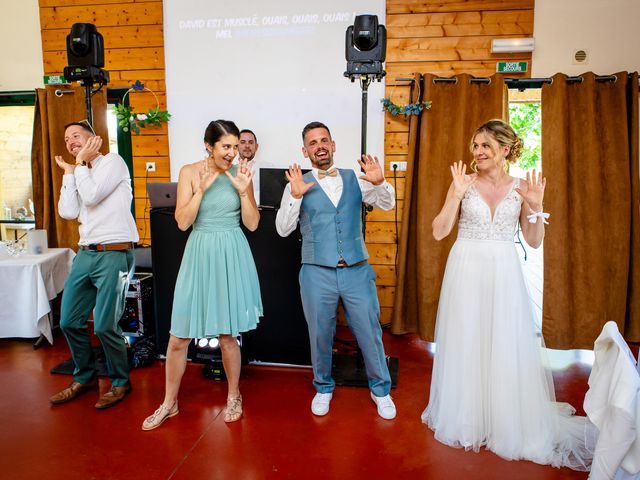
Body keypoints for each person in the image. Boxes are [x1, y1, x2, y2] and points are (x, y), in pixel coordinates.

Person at [423, 119, 592, 469]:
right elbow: (439, 232)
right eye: (475, 146)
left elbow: (533, 241)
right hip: (466, 269)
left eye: (485, 145)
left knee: (503, 342)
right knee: (468, 340)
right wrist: (454, 194)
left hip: (504, 272)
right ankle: (470, 416)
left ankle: (502, 417)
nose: (478, 152)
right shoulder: (463, 184)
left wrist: (535, 206)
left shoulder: (520, 188)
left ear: (504, 149)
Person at [142, 120, 263, 430]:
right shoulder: (189, 171)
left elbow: (252, 224)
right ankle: (169, 402)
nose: (233, 153)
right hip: (199, 252)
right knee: (178, 337)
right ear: (209, 146)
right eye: (227, 146)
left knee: (227, 336)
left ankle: (234, 395)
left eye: (236, 146)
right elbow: (182, 222)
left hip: (230, 251)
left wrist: (244, 192)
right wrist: (203, 190)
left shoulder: (241, 174)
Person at [276, 121, 397, 420]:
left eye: (324, 140)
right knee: (320, 333)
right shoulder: (297, 184)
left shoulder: (356, 178)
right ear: (305, 151)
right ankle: (323, 387)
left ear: (333, 145)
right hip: (316, 272)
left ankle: (381, 390)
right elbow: (282, 229)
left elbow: (387, 203)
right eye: (313, 143)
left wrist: (380, 182)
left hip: (356, 269)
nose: (320, 146)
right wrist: (295, 196)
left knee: (369, 331)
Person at [49, 121, 139, 409]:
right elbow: (68, 211)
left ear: (94, 139)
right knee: (68, 321)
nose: (71, 141)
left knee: (104, 326)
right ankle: (84, 377)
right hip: (85, 253)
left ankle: (120, 382)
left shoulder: (113, 162)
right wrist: (69, 173)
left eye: (76, 135)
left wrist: (79, 166)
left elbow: (91, 196)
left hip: (114, 253)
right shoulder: (78, 171)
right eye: (67, 138)